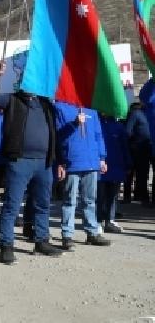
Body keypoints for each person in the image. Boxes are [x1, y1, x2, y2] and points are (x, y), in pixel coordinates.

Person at [0, 62, 63, 265]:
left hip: (44, 162)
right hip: (19, 161)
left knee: (43, 204)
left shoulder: (46, 103)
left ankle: (41, 241)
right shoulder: (12, 99)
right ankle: (6, 245)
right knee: (12, 205)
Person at [55, 101, 111, 249]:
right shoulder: (60, 107)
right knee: (69, 201)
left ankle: (92, 232)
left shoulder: (91, 109)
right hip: (72, 162)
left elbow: (98, 136)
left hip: (91, 162)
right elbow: (57, 135)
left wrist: (102, 158)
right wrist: (74, 123)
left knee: (90, 200)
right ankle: (67, 235)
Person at [98, 113, 131, 233]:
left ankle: (110, 220)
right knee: (99, 195)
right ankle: (98, 221)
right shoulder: (97, 123)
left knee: (112, 196)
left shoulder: (118, 126)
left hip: (116, 166)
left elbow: (124, 146)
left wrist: (128, 163)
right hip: (100, 166)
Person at [125, 101, 151, 205]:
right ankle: (128, 196)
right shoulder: (136, 114)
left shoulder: (146, 114)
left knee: (143, 173)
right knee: (131, 173)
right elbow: (128, 131)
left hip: (145, 148)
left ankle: (140, 195)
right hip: (135, 148)